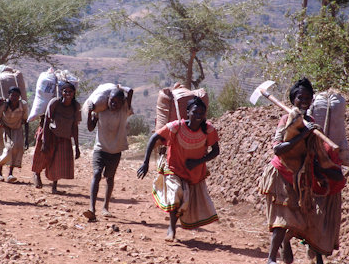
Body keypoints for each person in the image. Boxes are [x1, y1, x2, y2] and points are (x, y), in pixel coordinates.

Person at [259, 78, 344, 264]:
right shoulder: (287, 120)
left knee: (303, 217)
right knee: (282, 217)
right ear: (293, 99)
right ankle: (270, 260)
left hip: (300, 178)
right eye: (300, 97)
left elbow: (313, 152)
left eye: (307, 97)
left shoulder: (311, 123)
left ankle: (286, 244)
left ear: (312, 99)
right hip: (281, 173)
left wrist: (323, 172)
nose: (303, 100)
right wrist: (302, 135)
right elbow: (278, 149)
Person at [137, 96, 220, 241]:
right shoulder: (176, 127)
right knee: (176, 193)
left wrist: (198, 162)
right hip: (173, 168)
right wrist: (145, 162)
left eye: (201, 114)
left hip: (193, 172)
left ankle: (177, 224)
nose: (198, 116)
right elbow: (154, 138)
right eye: (195, 112)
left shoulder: (208, 130)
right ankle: (171, 228)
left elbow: (215, 151)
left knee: (186, 199)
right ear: (187, 112)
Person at [83, 87, 133, 221]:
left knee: (110, 178)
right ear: (107, 100)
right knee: (97, 173)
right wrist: (90, 111)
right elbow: (90, 128)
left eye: (117, 101)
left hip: (115, 151)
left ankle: (105, 207)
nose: (114, 104)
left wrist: (119, 86)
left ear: (123, 103)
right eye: (111, 100)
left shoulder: (124, 111)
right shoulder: (101, 111)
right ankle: (92, 208)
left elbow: (131, 91)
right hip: (100, 149)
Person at [37, 82, 81, 193]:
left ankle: (54, 187)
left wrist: (77, 146)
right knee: (44, 157)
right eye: (65, 91)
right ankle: (37, 174)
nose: (68, 94)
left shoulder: (75, 106)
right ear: (61, 92)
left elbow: (75, 127)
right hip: (52, 135)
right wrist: (44, 141)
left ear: (74, 93)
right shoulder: (55, 103)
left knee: (58, 162)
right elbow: (47, 121)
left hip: (65, 138)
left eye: (70, 91)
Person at [0, 86, 29, 183]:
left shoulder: (22, 105)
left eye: (16, 96)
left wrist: (26, 138)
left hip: (16, 130)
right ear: (9, 96)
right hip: (3, 129)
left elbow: (26, 121)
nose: (14, 97)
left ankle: (10, 173)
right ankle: (0, 173)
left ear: (19, 97)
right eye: (12, 95)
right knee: (2, 149)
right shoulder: (4, 105)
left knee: (15, 148)